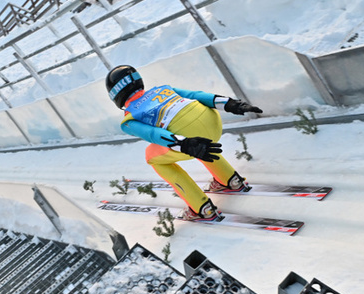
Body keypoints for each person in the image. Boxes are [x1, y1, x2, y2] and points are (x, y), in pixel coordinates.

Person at [105, 65, 262, 221]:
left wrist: (185, 144)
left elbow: (154, 134)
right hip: (212, 121)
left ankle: (201, 208)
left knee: (152, 156)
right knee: (200, 145)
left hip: (188, 134)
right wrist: (230, 103)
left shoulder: (129, 118)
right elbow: (196, 95)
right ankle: (231, 180)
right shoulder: (162, 89)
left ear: (115, 95)